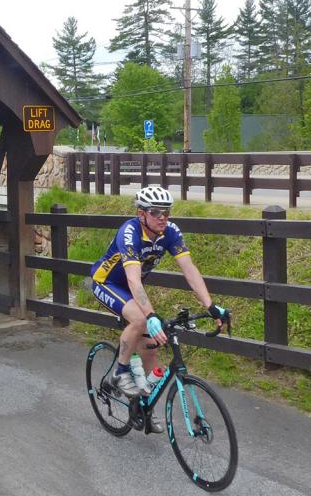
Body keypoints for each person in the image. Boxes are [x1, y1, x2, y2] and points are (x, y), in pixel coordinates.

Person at [89, 185, 229, 433]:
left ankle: (143, 407)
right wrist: (151, 315)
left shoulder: (170, 232)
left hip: (134, 289)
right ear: (142, 214)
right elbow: (132, 279)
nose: (162, 217)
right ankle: (119, 372)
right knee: (141, 321)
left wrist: (211, 305)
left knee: (151, 349)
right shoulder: (130, 232)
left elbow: (189, 270)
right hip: (107, 282)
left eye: (166, 212)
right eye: (156, 212)